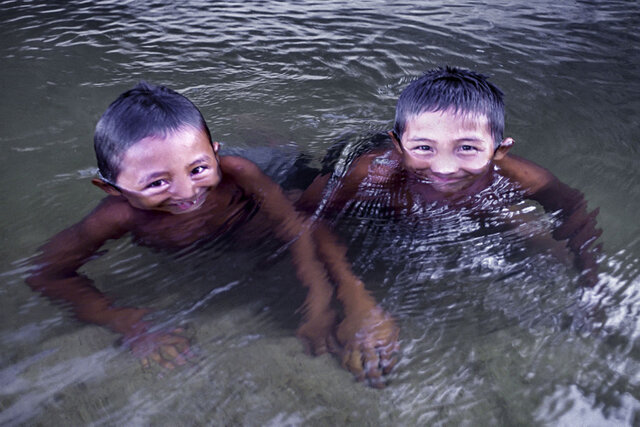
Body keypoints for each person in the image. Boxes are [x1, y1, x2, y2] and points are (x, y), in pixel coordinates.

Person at [27, 82, 397, 384]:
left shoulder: (237, 172)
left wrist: (318, 300)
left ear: (215, 155)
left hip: (274, 177)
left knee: (297, 181)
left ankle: (272, 140)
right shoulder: (114, 217)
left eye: (198, 169)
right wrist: (125, 322)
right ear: (111, 189)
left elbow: (294, 226)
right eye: (157, 183)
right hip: (223, 234)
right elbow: (46, 274)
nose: (186, 193)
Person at [298, 66, 601, 288]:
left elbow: (573, 210)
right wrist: (351, 291)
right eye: (424, 147)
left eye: (467, 148)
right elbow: (308, 215)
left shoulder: (525, 179)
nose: (443, 168)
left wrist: (590, 280)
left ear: (499, 151)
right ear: (398, 146)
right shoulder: (372, 174)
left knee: (544, 243)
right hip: (380, 204)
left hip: (476, 204)